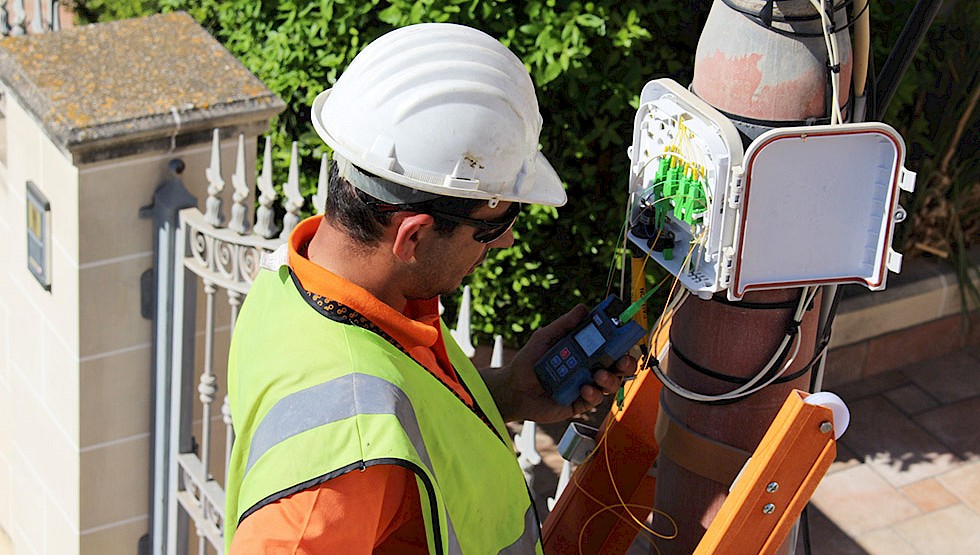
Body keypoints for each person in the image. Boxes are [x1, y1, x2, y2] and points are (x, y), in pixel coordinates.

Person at [224, 22, 635, 554]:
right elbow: (356, 435)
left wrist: (507, 390)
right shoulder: (346, 458)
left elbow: (401, 422)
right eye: (493, 225)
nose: (507, 241)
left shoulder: (288, 281)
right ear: (413, 235)